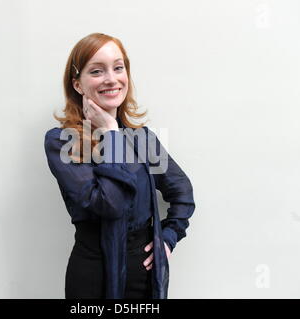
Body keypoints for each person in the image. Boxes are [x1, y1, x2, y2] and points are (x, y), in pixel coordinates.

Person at [44, 32, 195, 299]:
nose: (111, 79)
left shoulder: (142, 139)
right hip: (92, 276)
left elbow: (182, 191)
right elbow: (110, 204)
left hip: (144, 275)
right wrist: (112, 133)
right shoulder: (63, 142)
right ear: (77, 84)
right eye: (97, 71)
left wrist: (169, 238)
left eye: (118, 67)